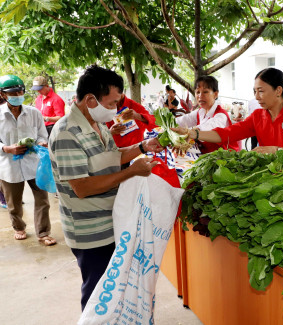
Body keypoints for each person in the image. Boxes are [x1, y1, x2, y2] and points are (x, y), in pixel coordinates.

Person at [48, 65, 163, 310]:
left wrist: (144, 146)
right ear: (90, 100)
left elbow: (112, 157)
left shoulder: (98, 126)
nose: (115, 110)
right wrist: (131, 171)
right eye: (111, 104)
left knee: (115, 292)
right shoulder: (67, 133)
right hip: (90, 231)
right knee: (98, 295)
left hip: (111, 221)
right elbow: (82, 187)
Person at [172, 68, 283, 154]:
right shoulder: (258, 116)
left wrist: (276, 150)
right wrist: (192, 133)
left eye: (261, 91)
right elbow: (229, 133)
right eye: (255, 91)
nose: (256, 97)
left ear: (278, 90)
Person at [0, 74, 56, 245]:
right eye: (12, 94)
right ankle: (19, 228)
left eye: (19, 92)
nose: (17, 96)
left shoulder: (34, 113)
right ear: (3, 94)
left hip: (34, 164)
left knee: (42, 199)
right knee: (13, 203)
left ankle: (43, 232)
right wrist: (6, 148)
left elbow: (41, 134)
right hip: (9, 164)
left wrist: (41, 143)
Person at [175, 76, 240, 153]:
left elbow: (209, 127)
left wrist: (191, 132)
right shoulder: (200, 112)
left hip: (223, 160)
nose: (200, 96)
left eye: (205, 92)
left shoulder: (221, 115)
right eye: (197, 92)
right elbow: (182, 121)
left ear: (215, 94)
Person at [106, 93, 157, 167]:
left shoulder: (134, 106)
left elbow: (155, 124)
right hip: (117, 155)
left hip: (138, 153)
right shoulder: (106, 109)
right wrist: (111, 132)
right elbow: (101, 136)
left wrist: (138, 116)